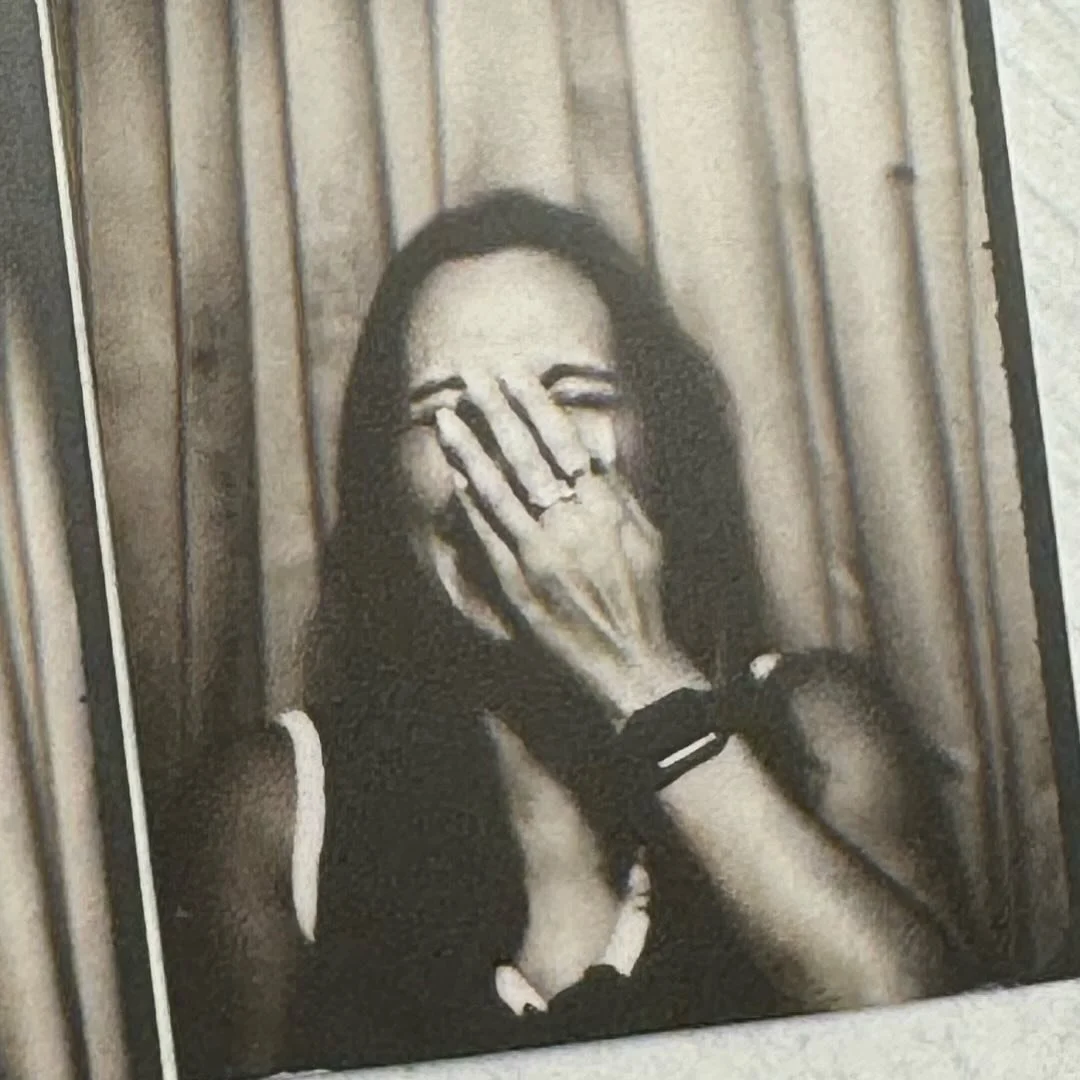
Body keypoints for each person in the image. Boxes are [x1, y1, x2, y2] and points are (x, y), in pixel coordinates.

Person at [161, 191, 980, 1078]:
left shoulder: (823, 726)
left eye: (574, 393)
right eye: (448, 407)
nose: (516, 454)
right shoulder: (276, 807)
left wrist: (637, 674)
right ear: (382, 488)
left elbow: (945, 1053)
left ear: (659, 445)